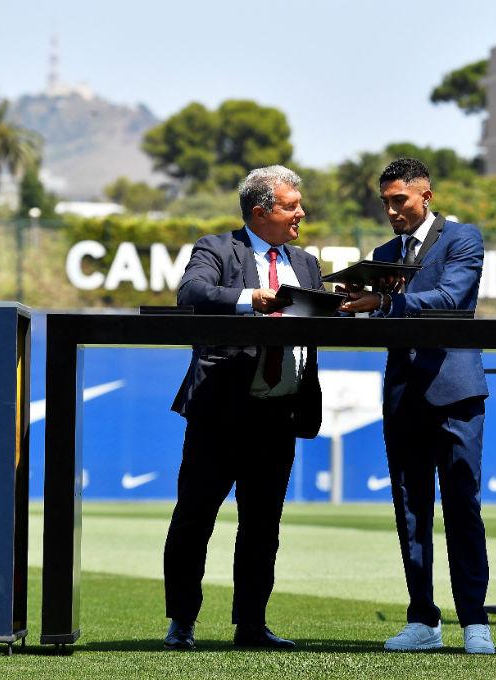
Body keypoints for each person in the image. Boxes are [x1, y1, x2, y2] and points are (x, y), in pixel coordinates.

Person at [163, 165, 323, 651]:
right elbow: (190, 293)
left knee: (262, 527)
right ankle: (182, 622)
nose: (301, 212)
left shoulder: (308, 263)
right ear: (261, 212)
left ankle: (251, 626)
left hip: (279, 414)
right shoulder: (217, 248)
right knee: (195, 518)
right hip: (220, 412)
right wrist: (250, 298)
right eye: (291, 205)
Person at [339, 158, 495, 655]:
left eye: (399, 200)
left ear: (425, 195)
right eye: (385, 202)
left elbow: (453, 298)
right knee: (410, 511)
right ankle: (423, 619)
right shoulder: (383, 253)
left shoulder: (463, 238)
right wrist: (349, 302)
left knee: (462, 505)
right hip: (404, 393)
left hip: (456, 391)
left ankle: (475, 621)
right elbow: (381, 316)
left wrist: (382, 304)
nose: (391, 210)